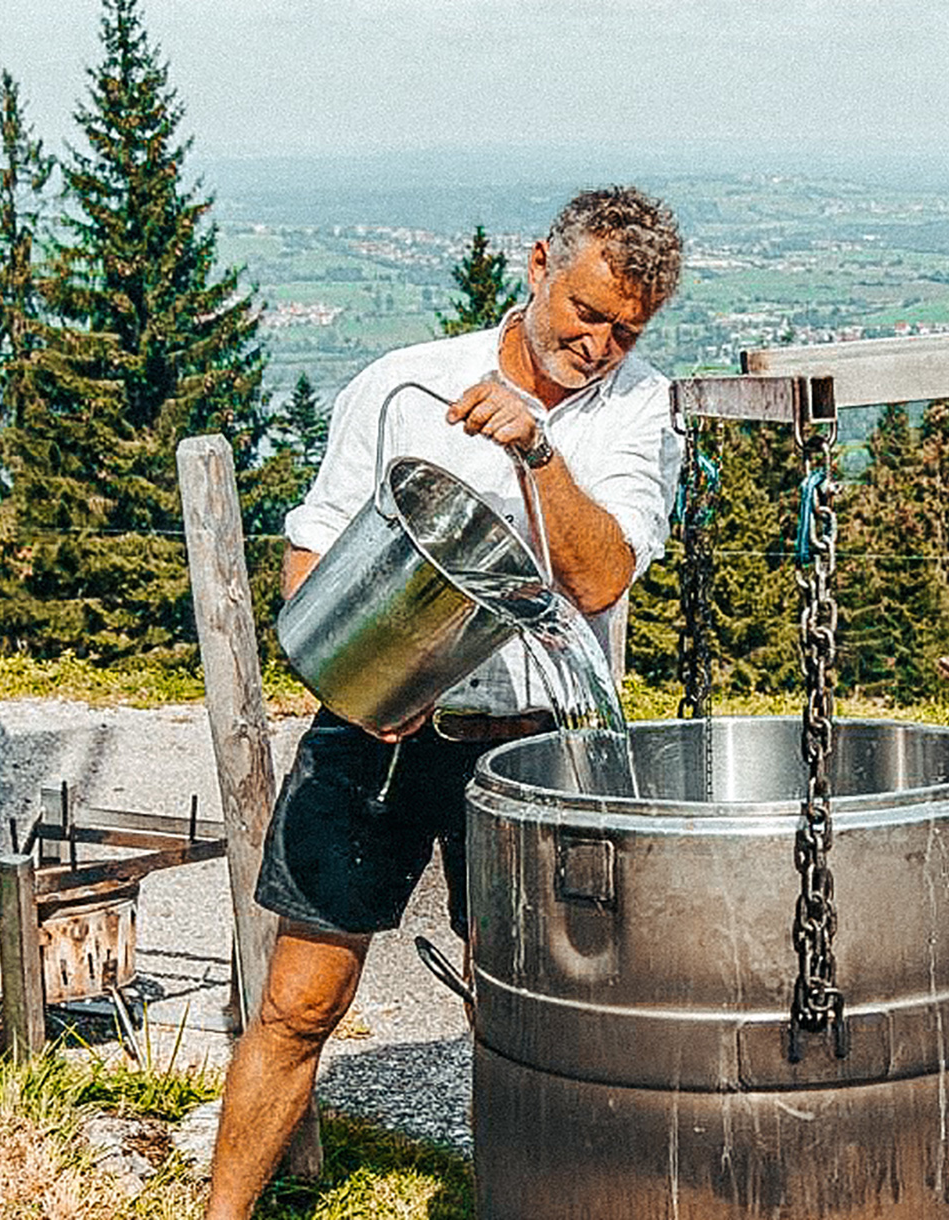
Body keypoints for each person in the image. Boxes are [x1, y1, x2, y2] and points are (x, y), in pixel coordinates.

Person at [203, 186, 685, 1219]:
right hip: (374, 728)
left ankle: (529, 1201)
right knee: (298, 1001)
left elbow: (599, 579)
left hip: (530, 749)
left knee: (524, 1018)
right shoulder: (405, 383)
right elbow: (313, 551)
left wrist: (537, 453)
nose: (599, 343)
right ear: (538, 264)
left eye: (624, 329)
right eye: (586, 312)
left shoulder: (640, 407)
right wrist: (355, 673)